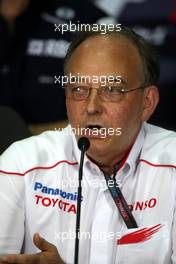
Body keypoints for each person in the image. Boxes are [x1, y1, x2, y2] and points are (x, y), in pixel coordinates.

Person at [0, 26, 176, 264]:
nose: (92, 107)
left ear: (147, 102)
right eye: (79, 89)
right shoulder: (21, 165)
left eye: (112, 90)